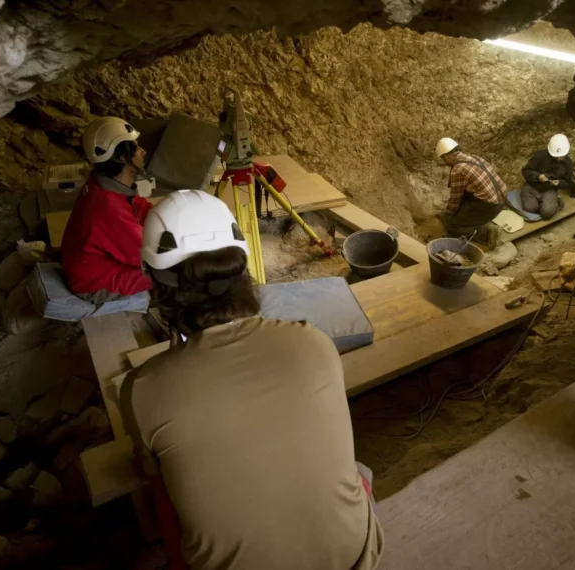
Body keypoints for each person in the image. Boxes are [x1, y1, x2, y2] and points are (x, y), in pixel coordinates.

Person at [120, 189, 384, 570]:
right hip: (352, 557)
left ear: (156, 284)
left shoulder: (143, 390)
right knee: (357, 472)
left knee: (163, 489)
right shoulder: (314, 342)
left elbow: (156, 481)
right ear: (241, 268)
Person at [61, 116, 154, 304]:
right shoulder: (109, 208)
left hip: (91, 265)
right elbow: (149, 256)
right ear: (122, 157)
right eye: (136, 147)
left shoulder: (103, 184)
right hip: (92, 284)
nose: (142, 151)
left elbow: (139, 208)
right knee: (169, 273)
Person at [435, 137, 507, 245]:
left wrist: (448, 216)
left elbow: (455, 199)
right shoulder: (475, 158)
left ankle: (487, 232)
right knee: (461, 209)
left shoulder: (458, 169)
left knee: (452, 226)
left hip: (489, 206)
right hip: (502, 199)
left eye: (443, 159)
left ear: (446, 157)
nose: (445, 162)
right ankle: (477, 221)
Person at [518, 133, 575, 220]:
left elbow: (569, 183)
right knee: (530, 208)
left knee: (546, 213)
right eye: (556, 157)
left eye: (561, 156)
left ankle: (555, 203)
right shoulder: (540, 156)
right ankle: (543, 203)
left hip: (549, 189)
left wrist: (559, 183)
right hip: (532, 186)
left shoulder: (568, 163)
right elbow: (525, 171)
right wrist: (537, 176)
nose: (559, 159)